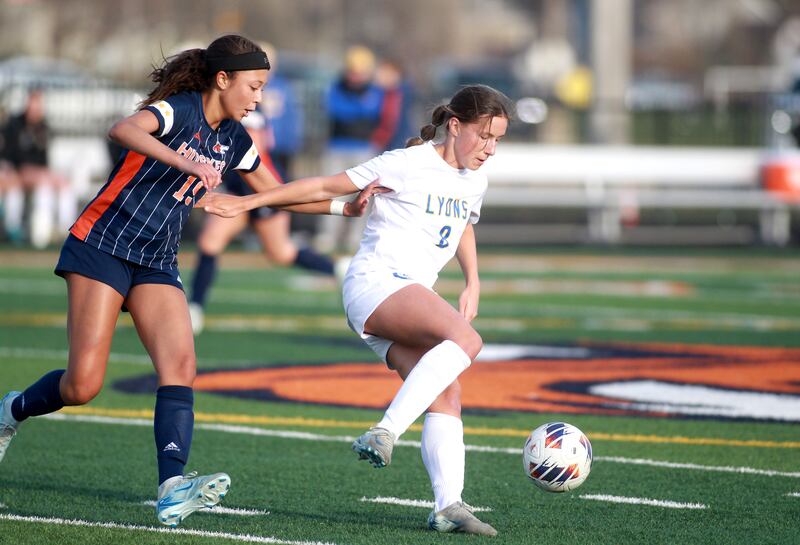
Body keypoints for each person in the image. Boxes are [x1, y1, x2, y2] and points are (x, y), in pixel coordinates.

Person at [0, 34, 380, 527]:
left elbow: (278, 193)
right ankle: (12, 409)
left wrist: (341, 207)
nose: (259, 98)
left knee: (180, 365)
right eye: (254, 86)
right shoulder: (178, 111)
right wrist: (185, 160)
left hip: (157, 260)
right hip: (103, 246)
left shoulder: (236, 139)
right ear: (223, 79)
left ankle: (171, 487)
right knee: (83, 385)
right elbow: (124, 130)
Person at [201, 84, 511, 536]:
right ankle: (385, 431)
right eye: (484, 135)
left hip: (406, 297)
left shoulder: (474, 179)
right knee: (466, 340)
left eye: (498, 139)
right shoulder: (406, 163)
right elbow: (326, 185)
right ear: (455, 125)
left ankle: (449, 506)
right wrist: (249, 201)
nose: (490, 148)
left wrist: (473, 280)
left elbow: (463, 222)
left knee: (447, 392)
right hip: (376, 286)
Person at [187, 108, 338, 335]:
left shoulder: (251, 111)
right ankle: (195, 307)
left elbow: (257, 147)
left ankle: (337, 269)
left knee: (280, 253)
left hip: (262, 188)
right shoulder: (216, 106)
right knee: (210, 242)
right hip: (237, 192)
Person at [314, 45, 384, 254]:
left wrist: (358, 108)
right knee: (331, 191)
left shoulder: (374, 91)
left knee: (364, 195)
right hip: (337, 147)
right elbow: (338, 110)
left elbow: (373, 112)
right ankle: (327, 236)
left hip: (364, 148)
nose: (356, 76)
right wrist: (358, 107)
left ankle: (355, 238)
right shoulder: (336, 87)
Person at [1, 89, 75, 248]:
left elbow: (44, 160)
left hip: (37, 174)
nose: (35, 109)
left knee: (62, 183)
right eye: (32, 105)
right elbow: (10, 157)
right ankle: (20, 232)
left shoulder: (43, 127)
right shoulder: (14, 124)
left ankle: (67, 229)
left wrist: (43, 173)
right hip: (17, 172)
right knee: (43, 183)